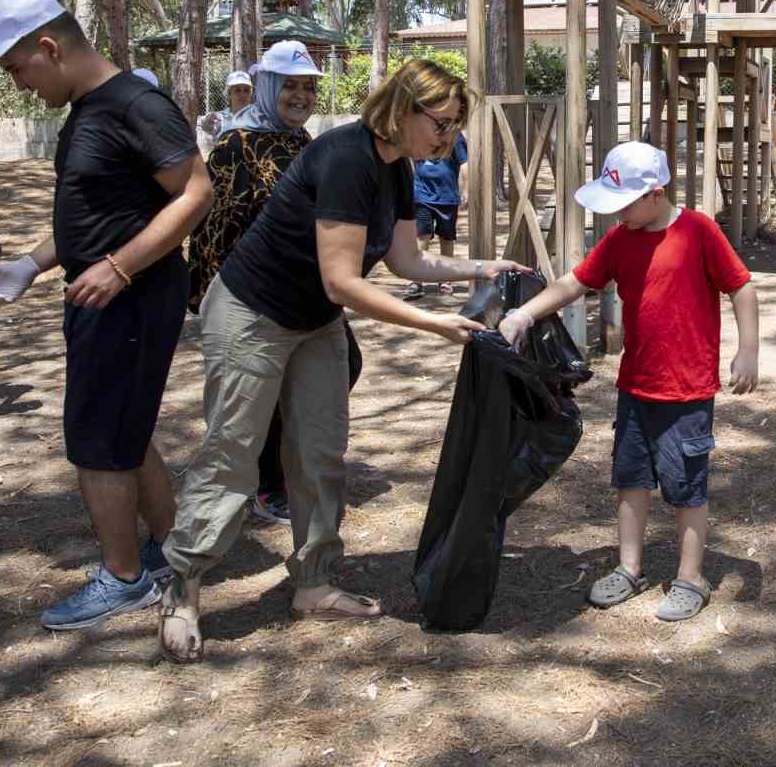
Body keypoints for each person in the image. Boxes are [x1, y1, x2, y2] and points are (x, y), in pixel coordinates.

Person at [156, 58, 527, 663]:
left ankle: (315, 584)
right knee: (235, 450)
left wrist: (481, 267)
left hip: (314, 322)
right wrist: (435, 324)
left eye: (456, 126)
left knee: (320, 453)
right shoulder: (347, 158)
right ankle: (183, 587)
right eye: (441, 122)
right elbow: (343, 283)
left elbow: (408, 263)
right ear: (403, 109)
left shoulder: (398, 169)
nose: (448, 138)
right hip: (253, 312)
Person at [0, 0, 214, 631]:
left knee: (98, 440)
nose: (18, 83)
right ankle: (166, 548)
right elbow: (100, 214)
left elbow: (195, 192)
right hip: (102, 290)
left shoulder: (135, 103)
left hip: (130, 298)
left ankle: (124, 577)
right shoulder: (88, 109)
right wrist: (32, 262)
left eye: (17, 67)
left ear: (49, 47)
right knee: (122, 428)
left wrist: (120, 266)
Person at [499, 141, 759, 623]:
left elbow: (741, 285)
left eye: (622, 204)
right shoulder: (621, 240)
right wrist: (524, 314)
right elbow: (575, 283)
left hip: (686, 391)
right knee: (630, 481)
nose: (615, 215)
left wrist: (748, 349)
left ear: (655, 194)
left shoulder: (698, 231)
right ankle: (629, 568)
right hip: (635, 386)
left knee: (687, 487)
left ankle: (690, 577)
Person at [186, 41, 347, 526]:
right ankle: (260, 488)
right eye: (290, 87)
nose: (300, 96)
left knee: (314, 385)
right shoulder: (236, 144)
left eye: (309, 88)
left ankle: (278, 479)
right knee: (249, 405)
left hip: (300, 293)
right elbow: (212, 228)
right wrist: (215, 299)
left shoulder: (303, 142)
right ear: (268, 88)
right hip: (248, 298)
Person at [403, 132, 468, 301]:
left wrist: (465, 190)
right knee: (421, 235)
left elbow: (464, 163)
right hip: (422, 196)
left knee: (446, 238)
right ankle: (416, 280)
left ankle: (445, 279)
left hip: (447, 197)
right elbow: (409, 157)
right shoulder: (421, 129)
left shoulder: (455, 136)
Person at [197, 70, 254, 155]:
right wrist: (207, 123)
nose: (242, 94)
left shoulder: (258, 118)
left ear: (251, 94)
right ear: (229, 94)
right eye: (237, 90)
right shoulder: (220, 118)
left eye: (246, 90)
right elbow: (206, 128)